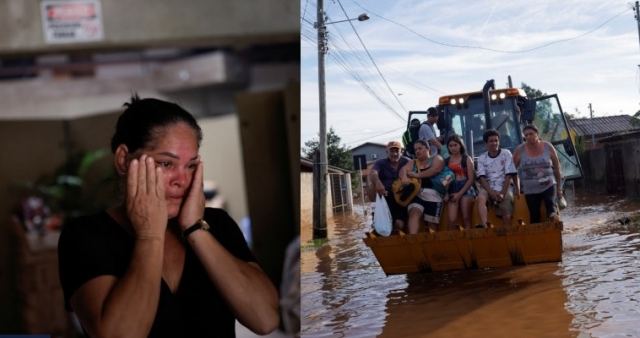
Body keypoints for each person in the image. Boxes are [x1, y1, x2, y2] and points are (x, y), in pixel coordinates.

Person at [58, 96, 279, 338]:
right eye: (166, 163)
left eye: (191, 165)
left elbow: (265, 320)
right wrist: (150, 235)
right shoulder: (85, 236)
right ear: (123, 159)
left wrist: (195, 229)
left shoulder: (216, 224)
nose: (181, 180)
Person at [513, 124, 563, 223]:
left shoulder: (548, 146)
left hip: (548, 184)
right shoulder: (520, 150)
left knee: (551, 207)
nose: (528, 137)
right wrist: (516, 187)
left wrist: (559, 188)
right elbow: (512, 170)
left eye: (531, 134)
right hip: (529, 189)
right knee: (534, 215)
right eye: (526, 135)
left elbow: (557, 168)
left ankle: (556, 230)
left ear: (537, 134)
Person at [399, 139, 445, 234]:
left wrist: (416, 175)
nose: (417, 151)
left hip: (434, 195)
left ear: (428, 148)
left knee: (432, 224)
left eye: (420, 148)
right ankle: (413, 240)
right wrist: (404, 177)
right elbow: (403, 169)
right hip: (417, 194)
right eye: (416, 150)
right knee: (414, 213)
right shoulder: (413, 162)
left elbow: (434, 170)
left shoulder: (437, 159)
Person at [475, 129, 519, 228]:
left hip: (504, 185)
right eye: (491, 141)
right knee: (481, 198)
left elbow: (509, 174)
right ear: (486, 143)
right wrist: (491, 192)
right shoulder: (482, 158)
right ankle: (485, 225)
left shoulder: (506, 153)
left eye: (496, 140)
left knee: (506, 209)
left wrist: (503, 193)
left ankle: (507, 231)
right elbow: (482, 178)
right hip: (488, 186)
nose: (494, 143)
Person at [368, 141, 410, 232]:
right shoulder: (380, 163)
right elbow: (373, 173)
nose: (394, 154)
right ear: (387, 152)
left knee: (399, 224)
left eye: (396, 151)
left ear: (401, 152)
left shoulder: (407, 161)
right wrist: (378, 182)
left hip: (402, 198)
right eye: (391, 151)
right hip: (386, 198)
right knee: (371, 184)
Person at [444, 134, 477, 229]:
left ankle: (469, 242)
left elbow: (471, 179)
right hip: (452, 188)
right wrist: (445, 193)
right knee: (451, 220)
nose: (453, 148)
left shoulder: (466, 159)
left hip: (466, 188)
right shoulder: (446, 161)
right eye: (450, 146)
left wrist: (459, 194)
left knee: (466, 217)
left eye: (455, 145)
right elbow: (445, 179)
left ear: (460, 145)